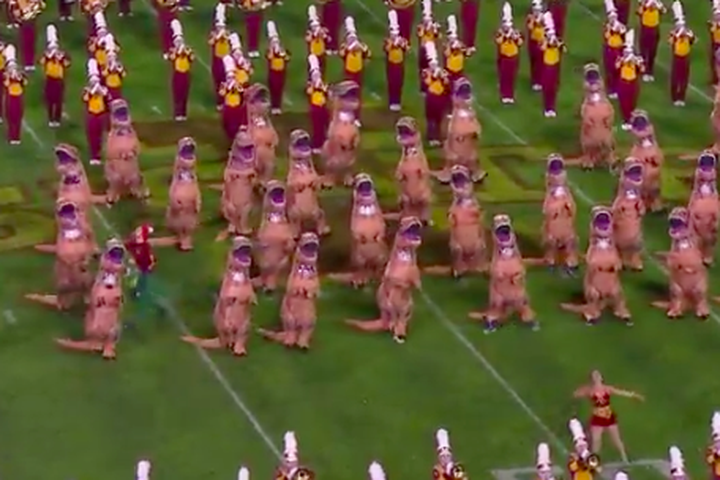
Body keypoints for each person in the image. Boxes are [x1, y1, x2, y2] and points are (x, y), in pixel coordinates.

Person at [573, 370, 644, 463]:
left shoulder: (607, 389)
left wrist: (633, 395)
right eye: (594, 376)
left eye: (598, 376)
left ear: (601, 378)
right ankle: (595, 461)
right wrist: (582, 391)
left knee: (616, 439)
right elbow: (576, 394)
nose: (597, 378)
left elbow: (620, 392)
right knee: (596, 442)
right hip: (597, 418)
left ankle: (625, 459)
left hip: (608, 417)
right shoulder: (590, 390)